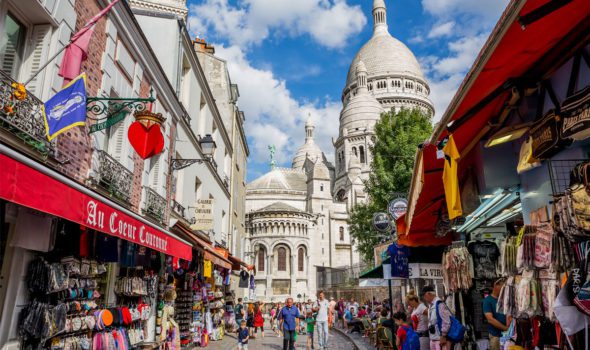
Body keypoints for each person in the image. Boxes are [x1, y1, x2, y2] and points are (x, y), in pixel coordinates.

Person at [422, 285, 452, 350]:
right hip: (433, 338)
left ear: (428, 294)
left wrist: (443, 335)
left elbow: (446, 321)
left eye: (424, 295)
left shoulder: (439, 304)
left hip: (440, 339)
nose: (424, 298)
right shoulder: (431, 305)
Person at [484, 279, 510, 350]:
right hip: (496, 336)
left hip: (508, 336)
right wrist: (506, 329)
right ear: (496, 285)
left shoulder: (505, 299)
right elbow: (490, 319)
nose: (504, 288)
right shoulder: (488, 300)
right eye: (502, 286)